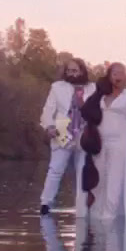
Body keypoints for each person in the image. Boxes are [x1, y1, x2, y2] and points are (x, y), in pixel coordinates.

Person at [78, 62, 126, 218]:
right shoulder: (99, 96)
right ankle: (95, 218)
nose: (118, 76)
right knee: (98, 182)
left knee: (114, 182)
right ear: (109, 76)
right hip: (99, 143)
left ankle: (109, 217)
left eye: (121, 73)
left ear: (125, 78)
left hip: (119, 143)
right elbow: (86, 111)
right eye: (115, 73)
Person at [37, 57, 94, 215]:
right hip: (62, 129)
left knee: (82, 170)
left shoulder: (92, 88)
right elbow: (48, 110)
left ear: (82, 71)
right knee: (55, 169)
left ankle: (82, 206)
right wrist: (49, 126)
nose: (71, 74)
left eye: (75, 70)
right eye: (68, 70)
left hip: (85, 132)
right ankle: (45, 203)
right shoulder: (57, 87)